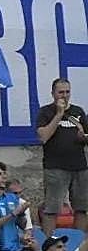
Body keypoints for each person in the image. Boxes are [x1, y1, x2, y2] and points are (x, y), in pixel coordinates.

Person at [36, 77, 88, 235]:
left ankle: (79, 244)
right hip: (55, 167)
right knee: (51, 209)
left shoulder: (78, 112)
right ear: (53, 93)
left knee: (82, 208)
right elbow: (43, 136)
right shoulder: (46, 112)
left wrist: (82, 137)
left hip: (79, 166)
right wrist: (59, 114)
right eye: (60, 92)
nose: (64, 96)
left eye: (67, 92)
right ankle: (49, 243)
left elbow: (85, 135)